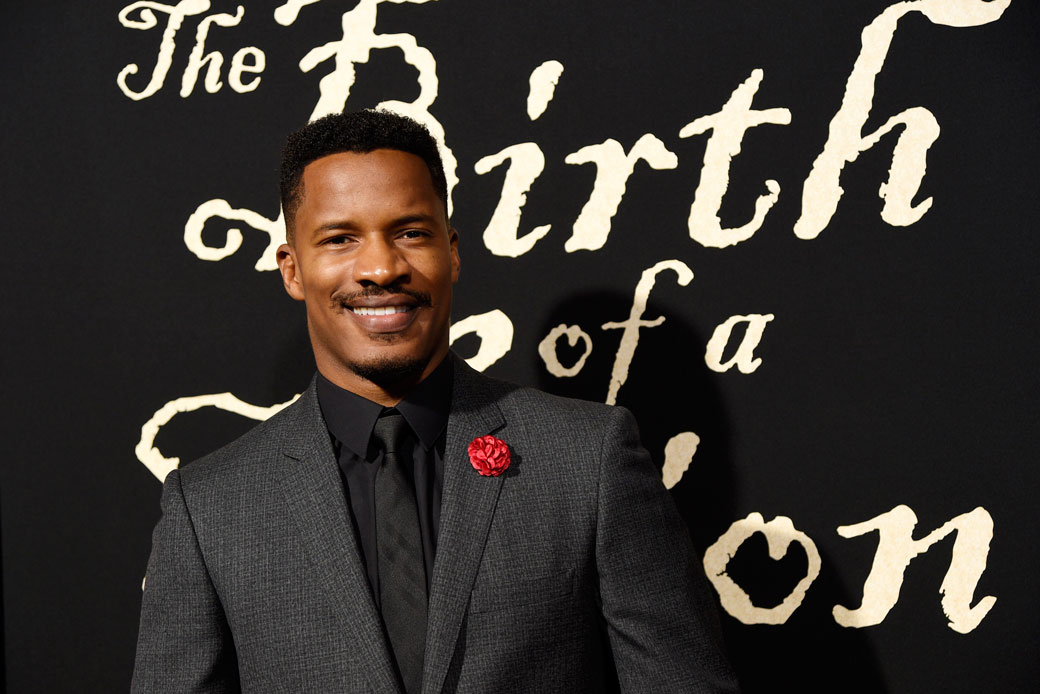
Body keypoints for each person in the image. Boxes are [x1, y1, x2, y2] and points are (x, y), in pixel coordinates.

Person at [131, 109, 739, 693]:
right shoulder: (210, 508)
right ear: (292, 269)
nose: (379, 267)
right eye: (340, 238)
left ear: (451, 251)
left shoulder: (588, 460)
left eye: (410, 233)